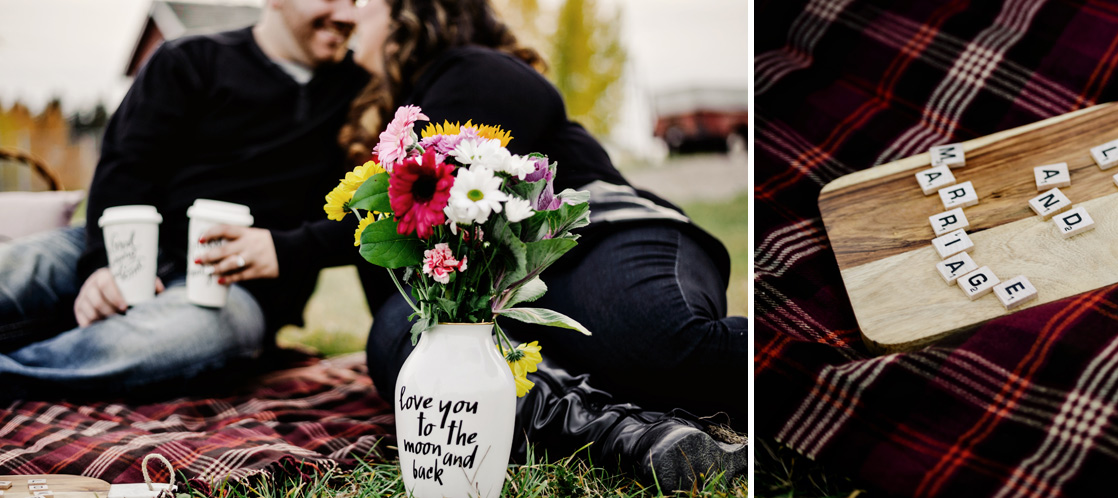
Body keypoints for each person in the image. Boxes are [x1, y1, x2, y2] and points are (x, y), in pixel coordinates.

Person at [345, 0, 748, 489]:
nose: (349, 15)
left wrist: (285, 249)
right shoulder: (388, 115)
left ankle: (807, 357)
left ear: (411, 15)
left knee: (661, 342)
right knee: (409, 338)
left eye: (363, 2)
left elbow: (425, 185)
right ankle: (632, 438)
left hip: (602, 235)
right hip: (500, 290)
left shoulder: (477, 70)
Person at [0, 0, 368, 400]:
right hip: (127, 242)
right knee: (19, 269)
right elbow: (125, 167)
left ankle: (14, 375)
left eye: (354, 1)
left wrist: (285, 250)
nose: (348, 15)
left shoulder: (362, 92)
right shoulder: (189, 59)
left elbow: (374, 215)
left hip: (237, 291)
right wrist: (105, 264)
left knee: (167, 339)